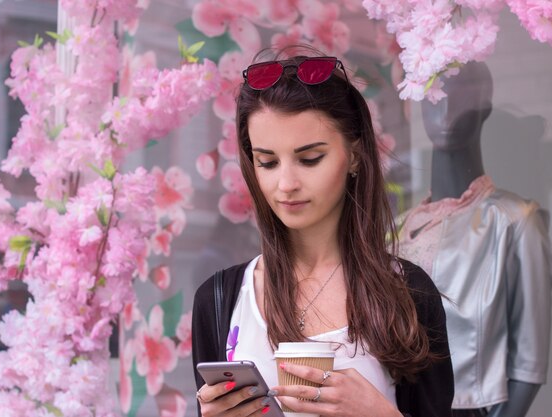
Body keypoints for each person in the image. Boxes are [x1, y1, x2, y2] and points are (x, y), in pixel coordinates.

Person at [192, 48, 454, 417]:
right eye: (267, 162)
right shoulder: (219, 300)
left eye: (310, 158)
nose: (285, 184)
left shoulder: (408, 294)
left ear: (356, 155)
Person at [397, 61, 552, 417]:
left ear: (485, 104)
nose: (447, 110)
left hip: (469, 407)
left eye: (462, 95)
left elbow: (529, 364)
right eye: (435, 98)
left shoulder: (514, 220)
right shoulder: (395, 229)